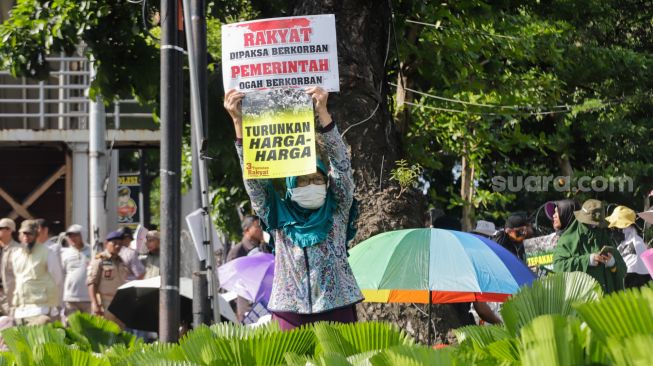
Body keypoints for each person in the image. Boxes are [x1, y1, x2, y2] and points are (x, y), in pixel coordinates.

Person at [224, 87, 362, 330]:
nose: (311, 185)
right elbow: (254, 180)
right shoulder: (276, 215)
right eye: (302, 180)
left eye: (318, 179)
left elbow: (341, 167)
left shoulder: (337, 209)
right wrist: (238, 122)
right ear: (290, 187)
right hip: (290, 313)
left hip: (338, 307)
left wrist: (323, 113)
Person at [553, 199, 627, 293]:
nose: (594, 227)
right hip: (584, 301)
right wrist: (588, 260)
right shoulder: (568, 240)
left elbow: (623, 270)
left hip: (608, 301)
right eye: (590, 224)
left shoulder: (604, 236)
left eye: (596, 225)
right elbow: (559, 266)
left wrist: (613, 264)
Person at [10, 220, 63, 325]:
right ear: (19, 235)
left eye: (30, 233)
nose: (26, 237)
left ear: (37, 235)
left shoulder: (48, 253)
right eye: (24, 233)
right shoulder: (16, 255)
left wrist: (56, 305)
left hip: (40, 309)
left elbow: (58, 280)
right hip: (20, 310)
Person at [87, 230, 131, 328]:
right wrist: (94, 303)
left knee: (120, 334)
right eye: (114, 243)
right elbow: (92, 283)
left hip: (120, 303)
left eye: (120, 244)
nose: (117, 246)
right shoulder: (100, 260)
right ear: (107, 244)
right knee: (104, 333)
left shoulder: (121, 261)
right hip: (104, 303)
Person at [606, 206, 651, 288]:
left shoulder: (634, 244)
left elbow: (627, 275)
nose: (613, 230)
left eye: (615, 227)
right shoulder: (625, 243)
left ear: (624, 227)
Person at [60, 224, 93, 316]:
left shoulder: (92, 251)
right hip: (69, 298)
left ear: (83, 235)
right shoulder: (64, 253)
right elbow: (61, 274)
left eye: (75, 235)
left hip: (88, 298)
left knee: (90, 327)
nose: (72, 238)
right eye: (70, 236)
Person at [0, 218, 20, 316]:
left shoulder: (18, 250)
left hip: (9, 298)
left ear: (10, 230)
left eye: (1, 228)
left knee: (12, 327)